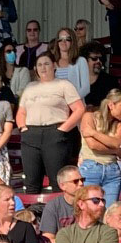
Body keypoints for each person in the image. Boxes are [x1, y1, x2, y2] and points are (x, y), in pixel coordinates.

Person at [14, 53, 85, 195]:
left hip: (55, 133)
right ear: (35, 68)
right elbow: (21, 112)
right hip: (31, 134)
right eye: (39, 64)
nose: (43, 67)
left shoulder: (64, 84)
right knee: (31, 181)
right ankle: (33, 214)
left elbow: (79, 109)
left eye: (46, 63)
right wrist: (23, 128)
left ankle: (61, 214)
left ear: (54, 65)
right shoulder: (30, 87)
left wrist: (63, 129)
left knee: (57, 180)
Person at [78, 86, 121, 207]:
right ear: (111, 105)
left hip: (112, 171)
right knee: (90, 209)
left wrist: (93, 133)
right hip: (91, 168)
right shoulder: (89, 116)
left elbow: (116, 143)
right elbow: (93, 145)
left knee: (110, 211)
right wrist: (114, 151)